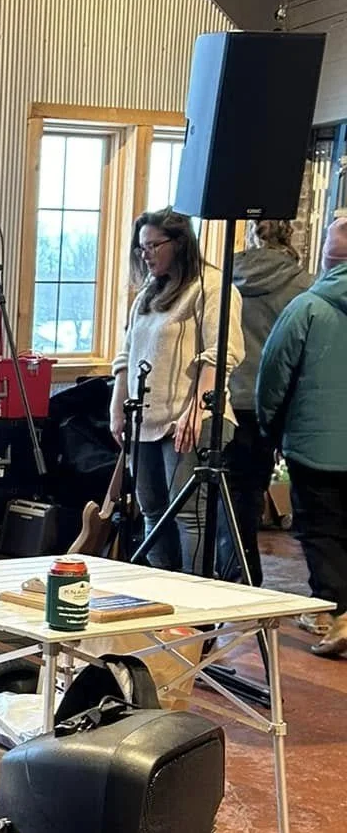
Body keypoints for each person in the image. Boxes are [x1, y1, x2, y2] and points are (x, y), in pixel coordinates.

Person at [111, 208, 243, 577]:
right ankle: (161, 590)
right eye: (141, 248)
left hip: (187, 420)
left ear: (180, 243)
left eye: (154, 245)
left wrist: (197, 409)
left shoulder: (213, 288)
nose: (146, 254)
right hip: (146, 421)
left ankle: (193, 605)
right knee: (151, 509)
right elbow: (126, 354)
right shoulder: (148, 295)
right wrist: (117, 408)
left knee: (187, 514)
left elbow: (221, 353)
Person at [256, 215, 347, 658]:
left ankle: (339, 612)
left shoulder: (308, 306)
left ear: (330, 257)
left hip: (316, 445)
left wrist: (269, 425)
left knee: (321, 530)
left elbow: (274, 375)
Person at [226, 220, 308, 586]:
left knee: (222, 494)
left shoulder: (227, 276)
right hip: (267, 401)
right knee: (250, 490)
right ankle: (246, 573)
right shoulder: (302, 286)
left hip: (224, 398)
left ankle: (232, 570)